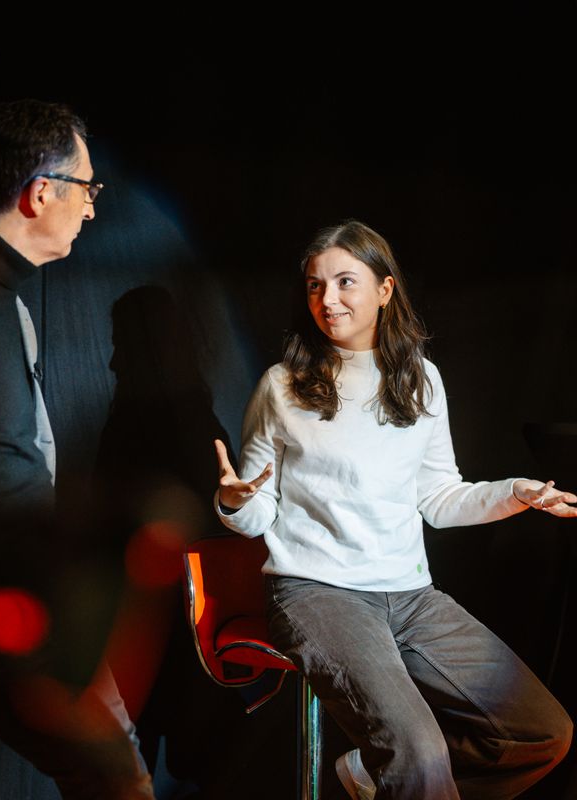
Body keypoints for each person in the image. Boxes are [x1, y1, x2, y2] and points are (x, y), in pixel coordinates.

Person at [213, 219, 574, 800]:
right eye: (314, 285)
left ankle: (368, 776)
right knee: (417, 754)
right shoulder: (283, 385)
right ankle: (403, 777)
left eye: (345, 282)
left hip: (410, 596)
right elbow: (257, 514)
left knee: (541, 732)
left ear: (385, 289)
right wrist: (235, 500)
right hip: (316, 591)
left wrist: (515, 493)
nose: (327, 300)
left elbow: (439, 499)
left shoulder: (422, 381)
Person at [0, 99, 155, 799]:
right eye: (87, 189)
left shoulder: (15, 307)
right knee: (115, 776)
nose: (93, 209)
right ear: (41, 192)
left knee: (116, 769)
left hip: (27, 580)